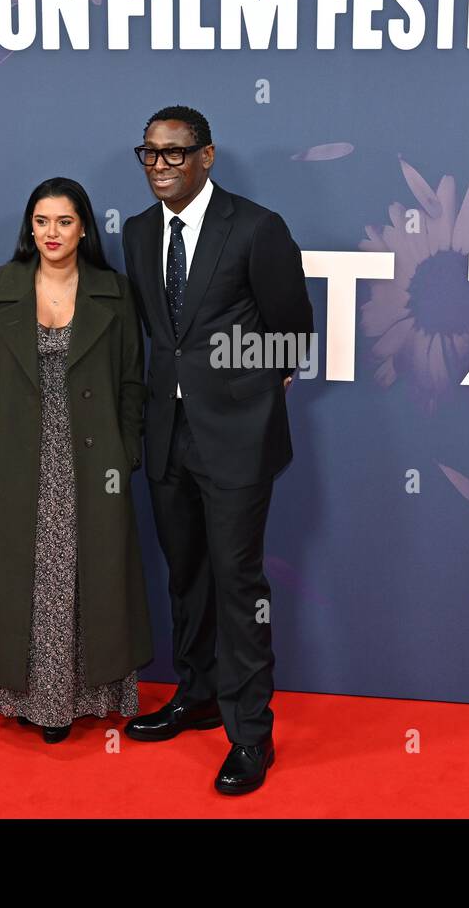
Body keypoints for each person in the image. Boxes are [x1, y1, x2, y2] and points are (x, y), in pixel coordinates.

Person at [121, 105, 314, 794]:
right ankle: (196, 694)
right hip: (166, 437)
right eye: (149, 153)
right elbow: (158, 337)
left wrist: (241, 395)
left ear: (206, 156)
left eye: (175, 152)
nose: (161, 165)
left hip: (236, 442)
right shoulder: (139, 234)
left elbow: (293, 335)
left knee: (238, 587)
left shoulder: (257, 228)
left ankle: (250, 737)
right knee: (186, 576)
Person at [0, 177, 153, 744]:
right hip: (17, 461)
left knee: (87, 579)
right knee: (27, 580)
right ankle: (28, 699)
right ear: (30, 227)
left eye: (64, 222)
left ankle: (82, 698)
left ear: (84, 227)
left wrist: (127, 453)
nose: (52, 233)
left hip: (92, 465)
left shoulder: (113, 292)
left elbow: (133, 385)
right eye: (42, 221)